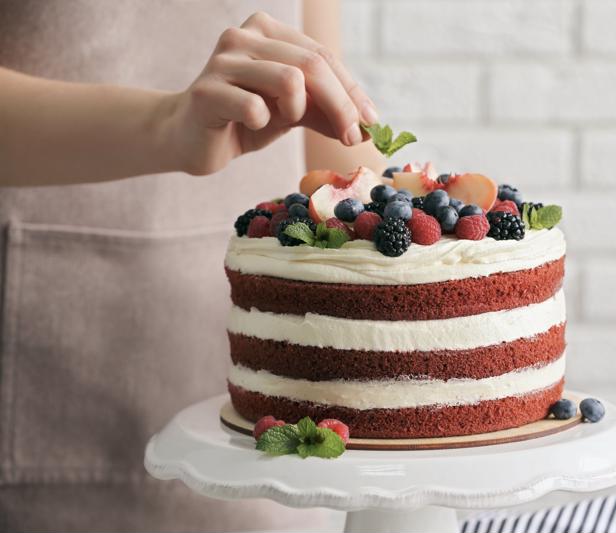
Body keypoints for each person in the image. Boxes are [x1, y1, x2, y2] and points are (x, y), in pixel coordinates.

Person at [0, 1, 384, 530]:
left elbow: (326, 114)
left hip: (287, 406)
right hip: (59, 382)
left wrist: (407, 233)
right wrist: (167, 124)